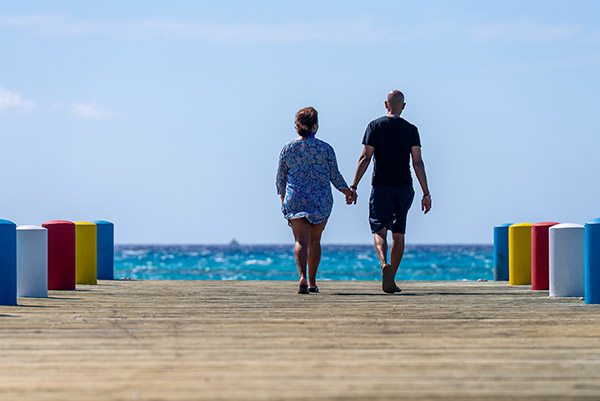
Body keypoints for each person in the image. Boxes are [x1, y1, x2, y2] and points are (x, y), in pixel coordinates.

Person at [349, 90, 431, 294]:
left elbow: (365, 158)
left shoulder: (374, 126)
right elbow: (418, 162)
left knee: (379, 230)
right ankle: (392, 278)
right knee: (399, 233)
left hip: (381, 187)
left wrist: (354, 186)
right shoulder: (411, 129)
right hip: (404, 188)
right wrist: (426, 193)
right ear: (403, 106)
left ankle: (384, 264)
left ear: (386, 104)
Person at [276, 107, 355, 294]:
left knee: (300, 240)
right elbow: (335, 176)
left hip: (295, 197)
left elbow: (280, 178)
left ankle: (301, 277)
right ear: (315, 127)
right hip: (320, 199)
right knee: (315, 241)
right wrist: (348, 192)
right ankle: (312, 282)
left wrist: (283, 198)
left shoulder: (288, 148)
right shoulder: (326, 148)